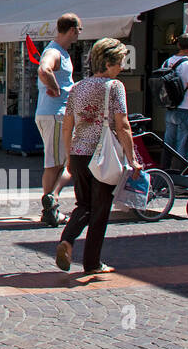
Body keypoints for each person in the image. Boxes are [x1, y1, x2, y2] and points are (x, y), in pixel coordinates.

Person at [56, 38, 142, 275]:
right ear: (107, 62)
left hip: (79, 152)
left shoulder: (77, 88)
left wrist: (68, 156)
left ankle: (67, 240)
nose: (121, 68)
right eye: (119, 63)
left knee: (84, 204)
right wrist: (132, 158)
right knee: (101, 208)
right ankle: (92, 262)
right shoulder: (114, 87)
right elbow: (122, 125)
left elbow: (67, 125)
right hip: (103, 155)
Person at [36, 13, 81, 227]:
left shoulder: (60, 52)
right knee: (55, 163)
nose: (78, 35)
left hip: (56, 114)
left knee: (59, 162)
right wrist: (54, 87)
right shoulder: (54, 51)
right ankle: (50, 206)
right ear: (72, 30)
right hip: (55, 114)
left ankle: (50, 205)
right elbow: (43, 69)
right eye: (78, 30)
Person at [161, 33, 188, 173]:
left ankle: (163, 176)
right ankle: (180, 179)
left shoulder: (167, 62)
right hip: (186, 110)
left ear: (178, 45)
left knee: (168, 146)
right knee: (183, 148)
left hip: (171, 109)